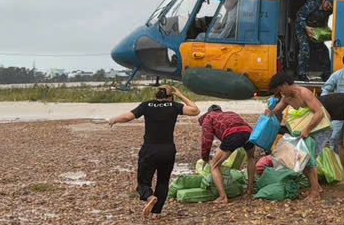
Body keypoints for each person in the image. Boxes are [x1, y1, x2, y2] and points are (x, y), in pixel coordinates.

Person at [107, 85, 199, 218]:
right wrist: (181, 95)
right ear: (171, 96)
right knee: (163, 181)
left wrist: (113, 120)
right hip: (168, 150)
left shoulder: (146, 105)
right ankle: (156, 212)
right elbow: (195, 110)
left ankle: (149, 197)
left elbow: (128, 117)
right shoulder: (174, 106)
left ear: (156, 95)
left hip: (150, 149)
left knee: (143, 182)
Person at [268, 72, 327, 201]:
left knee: (308, 160)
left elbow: (319, 113)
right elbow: (277, 110)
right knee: (301, 159)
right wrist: (270, 113)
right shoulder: (287, 97)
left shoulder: (304, 93)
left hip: (319, 129)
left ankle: (315, 192)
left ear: (285, 85)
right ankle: (316, 187)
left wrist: (307, 130)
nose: (281, 94)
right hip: (305, 130)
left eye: (280, 90)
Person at [198, 104, 252, 204]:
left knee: (214, 165)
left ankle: (223, 197)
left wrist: (205, 157)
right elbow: (246, 125)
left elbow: (207, 140)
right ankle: (249, 190)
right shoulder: (231, 113)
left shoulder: (209, 117)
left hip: (232, 135)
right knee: (251, 158)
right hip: (249, 133)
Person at [293, 0, 334, 80]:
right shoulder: (312, 3)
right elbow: (299, 16)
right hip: (302, 28)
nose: (328, 8)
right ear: (324, 0)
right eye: (328, 5)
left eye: (330, 7)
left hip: (316, 30)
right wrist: (306, 28)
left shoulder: (330, 9)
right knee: (305, 48)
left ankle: (326, 73)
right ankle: (301, 74)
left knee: (323, 50)